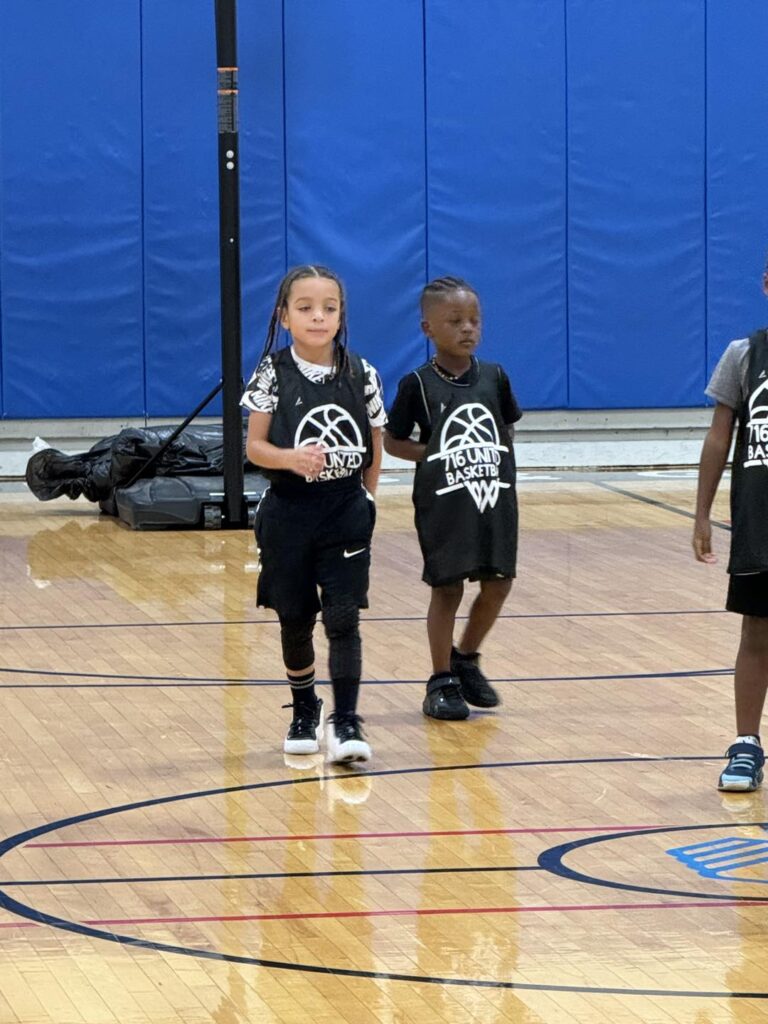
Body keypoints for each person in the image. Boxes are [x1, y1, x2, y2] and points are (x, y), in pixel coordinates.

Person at [241, 265, 385, 763]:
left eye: (329, 308)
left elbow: (374, 446)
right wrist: (290, 459)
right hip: (289, 514)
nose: (318, 317)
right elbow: (255, 448)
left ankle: (346, 721)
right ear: (284, 317)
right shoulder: (271, 372)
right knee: (296, 618)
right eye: (305, 308)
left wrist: (367, 497)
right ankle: (304, 707)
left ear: (341, 315)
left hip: (344, 510)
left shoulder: (362, 372)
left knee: (344, 618)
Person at [384, 276, 521, 720]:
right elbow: (393, 441)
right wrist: (439, 454)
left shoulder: (495, 377)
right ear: (428, 328)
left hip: (493, 498)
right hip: (444, 503)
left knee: (498, 582)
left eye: (475, 320)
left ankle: (467, 658)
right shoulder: (418, 384)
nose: (468, 328)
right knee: (448, 588)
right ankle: (440, 679)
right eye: (456, 320)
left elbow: (506, 427)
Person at [693, 268, 768, 792]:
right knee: (757, 631)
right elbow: (720, 438)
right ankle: (746, 745)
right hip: (760, 521)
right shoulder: (745, 355)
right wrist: (701, 513)